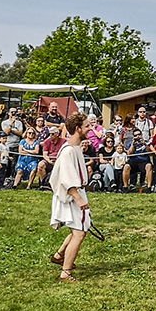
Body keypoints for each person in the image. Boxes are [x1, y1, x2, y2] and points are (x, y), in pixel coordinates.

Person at [48, 112, 92, 283]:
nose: (90, 129)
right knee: (79, 233)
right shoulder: (68, 151)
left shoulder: (75, 148)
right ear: (78, 129)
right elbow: (67, 179)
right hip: (71, 196)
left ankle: (60, 255)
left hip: (76, 194)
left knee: (79, 229)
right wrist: (79, 199)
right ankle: (65, 273)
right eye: (87, 126)